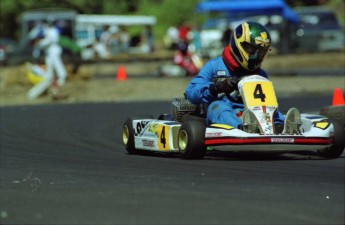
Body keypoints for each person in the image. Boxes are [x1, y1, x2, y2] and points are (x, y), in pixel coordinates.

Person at [185, 22, 300, 133]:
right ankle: (242, 128)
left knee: (272, 109)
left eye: (261, 52)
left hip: (251, 112)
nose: (257, 56)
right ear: (239, 45)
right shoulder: (215, 66)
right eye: (252, 50)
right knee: (217, 107)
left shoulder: (261, 74)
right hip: (226, 110)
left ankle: (280, 126)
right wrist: (216, 88)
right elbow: (191, 92)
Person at [27, 19, 67, 100]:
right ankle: (50, 78)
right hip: (49, 50)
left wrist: (41, 43)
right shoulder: (47, 30)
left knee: (57, 64)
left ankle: (62, 77)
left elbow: (50, 40)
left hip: (54, 49)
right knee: (50, 65)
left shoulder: (53, 31)